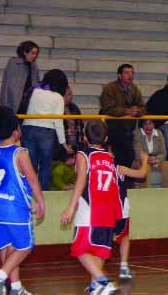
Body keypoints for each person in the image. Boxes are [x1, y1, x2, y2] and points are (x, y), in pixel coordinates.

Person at [60, 120, 149, 294]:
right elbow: (140, 174)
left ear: (85, 137)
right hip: (110, 211)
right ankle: (95, 285)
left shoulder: (83, 155)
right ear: (106, 138)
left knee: (79, 249)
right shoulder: (110, 159)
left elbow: (80, 181)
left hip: (90, 209)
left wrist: (71, 207)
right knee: (98, 251)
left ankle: (103, 281)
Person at [0, 106, 46, 295]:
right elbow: (32, 179)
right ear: (16, 130)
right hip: (14, 209)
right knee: (25, 247)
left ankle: (16, 287)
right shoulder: (20, 152)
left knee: (8, 247)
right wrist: (40, 200)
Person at [22, 69, 70, 192]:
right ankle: (43, 193)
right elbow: (58, 121)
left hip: (28, 127)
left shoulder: (35, 91)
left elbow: (24, 106)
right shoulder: (58, 97)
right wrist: (63, 143)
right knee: (45, 165)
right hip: (46, 131)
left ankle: (28, 191)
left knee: (30, 165)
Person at [100, 63, 146, 188]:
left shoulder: (135, 89)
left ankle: (126, 187)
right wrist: (127, 111)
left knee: (129, 159)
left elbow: (143, 107)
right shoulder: (110, 88)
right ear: (119, 75)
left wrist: (137, 111)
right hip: (113, 132)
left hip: (128, 132)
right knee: (115, 161)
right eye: (126, 72)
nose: (130, 75)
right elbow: (107, 109)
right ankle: (114, 187)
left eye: (132, 72)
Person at [0, 41, 40, 114]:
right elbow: (6, 86)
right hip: (15, 103)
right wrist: (5, 106)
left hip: (30, 103)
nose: (35, 56)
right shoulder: (14, 63)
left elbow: (37, 86)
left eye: (36, 53)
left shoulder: (34, 67)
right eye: (32, 53)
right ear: (25, 52)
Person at [133, 119, 168, 188]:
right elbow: (137, 151)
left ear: (154, 124)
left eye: (150, 123)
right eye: (145, 124)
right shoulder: (138, 133)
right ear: (142, 126)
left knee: (167, 165)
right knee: (145, 167)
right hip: (141, 161)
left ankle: (167, 191)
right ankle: (146, 192)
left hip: (155, 160)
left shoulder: (159, 133)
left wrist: (157, 160)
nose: (148, 126)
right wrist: (147, 159)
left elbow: (163, 152)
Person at [62, 86, 85, 156]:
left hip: (76, 143)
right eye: (66, 95)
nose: (68, 97)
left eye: (70, 94)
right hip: (62, 145)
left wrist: (81, 144)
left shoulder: (75, 108)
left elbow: (80, 126)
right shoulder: (57, 108)